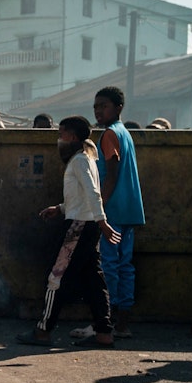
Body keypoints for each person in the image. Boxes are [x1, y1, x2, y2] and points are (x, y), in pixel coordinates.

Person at [16, 116, 120, 348]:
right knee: (94, 280)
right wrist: (61, 208)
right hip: (86, 224)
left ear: (72, 137)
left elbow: (93, 194)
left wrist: (102, 221)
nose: (59, 138)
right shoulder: (86, 159)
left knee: (57, 277)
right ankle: (104, 333)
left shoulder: (79, 161)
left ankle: (43, 331)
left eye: (61, 133)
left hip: (80, 226)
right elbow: (82, 196)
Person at [71, 86, 144, 340]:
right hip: (129, 210)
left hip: (112, 210)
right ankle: (122, 324)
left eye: (104, 106)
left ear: (118, 108)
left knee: (109, 266)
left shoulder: (109, 135)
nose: (98, 110)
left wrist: (98, 208)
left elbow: (110, 176)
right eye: (95, 107)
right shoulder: (125, 134)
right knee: (125, 266)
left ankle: (105, 322)